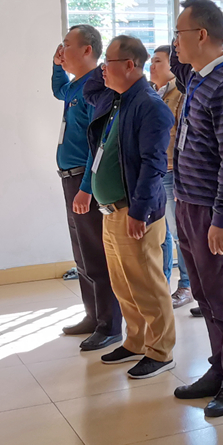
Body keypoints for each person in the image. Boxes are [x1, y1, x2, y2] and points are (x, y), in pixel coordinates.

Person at [170, 0, 223, 417]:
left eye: (180, 34)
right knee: (205, 296)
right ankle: (219, 368)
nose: (174, 43)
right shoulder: (197, 77)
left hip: (212, 211)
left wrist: (222, 217)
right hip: (188, 202)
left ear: (202, 35)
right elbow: (178, 61)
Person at [75, 36, 177, 379]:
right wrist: (106, 64)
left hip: (134, 211)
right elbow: (90, 88)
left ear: (131, 66)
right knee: (123, 284)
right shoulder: (116, 98)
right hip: (110, 211)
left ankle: (161, 351)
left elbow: (153, 165)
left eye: (110, 63)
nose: (103, 69)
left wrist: (139, 211)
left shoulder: (150, 106)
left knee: (147, 284)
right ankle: (135, 341)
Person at [49, 25, 122, 351]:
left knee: (96, 255)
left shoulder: (97, 86)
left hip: (84, 181)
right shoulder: (76, 86)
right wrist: (55, 66)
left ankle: (109, 325)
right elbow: (59, 91)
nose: (62, 50)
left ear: (87, 50)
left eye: (67, 45)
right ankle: (92, 315)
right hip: (70, 178)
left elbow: (98, 143)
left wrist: (87, 187)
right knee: (81, 254)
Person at [151, 45, 191, 308]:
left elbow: (181, 136)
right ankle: (162, 284)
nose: (152, 66)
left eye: (158, 61)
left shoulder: (179, 93)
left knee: (179, 233)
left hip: (171, 171)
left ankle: (186, 285)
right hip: (155, 171)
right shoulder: (154, 93)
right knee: (161, 233)